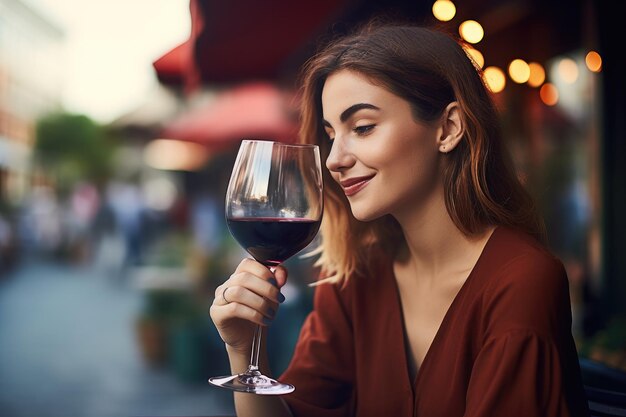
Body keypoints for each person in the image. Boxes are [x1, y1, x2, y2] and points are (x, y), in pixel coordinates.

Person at [210, 22, 590, 417]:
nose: (334, 159)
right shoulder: (355, 278)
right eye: (331, 134)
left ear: (449, 127)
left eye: (362, 127)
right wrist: (242, 349)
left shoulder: (521, 281)